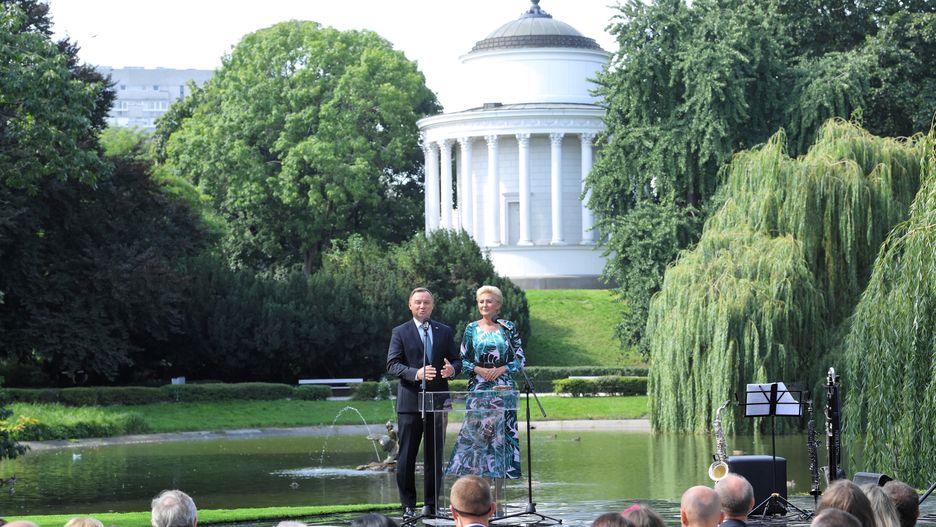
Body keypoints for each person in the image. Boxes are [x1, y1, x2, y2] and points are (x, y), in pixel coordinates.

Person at [387, 287, 460, 519]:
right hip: (410, 403)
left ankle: (431, 506)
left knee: (434, 456)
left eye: (426, 303)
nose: (422, 306)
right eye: (418, 302)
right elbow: (392, 365)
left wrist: (453, 369)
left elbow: (457, 360)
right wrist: (415, 373)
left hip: (438, 403)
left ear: (432, 305)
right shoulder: (400, 332)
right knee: (407, 456)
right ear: (410, 305)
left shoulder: (444, 331)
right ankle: (408, 506)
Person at [446, 285, 525, 487]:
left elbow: (520, 359)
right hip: (479, 389)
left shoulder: (508, 327)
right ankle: (478, 494)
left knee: (501, 440)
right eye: (481, 301)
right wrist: (479, 370)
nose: (484, 304)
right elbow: (462, 360)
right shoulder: (471, 329)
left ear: (498, 305)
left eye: (489, 301)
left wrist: (502, 369)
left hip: (503, 389)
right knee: (479, 440)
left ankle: (497, 501)